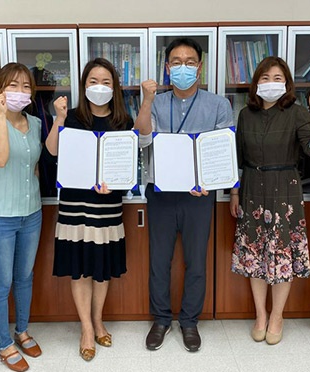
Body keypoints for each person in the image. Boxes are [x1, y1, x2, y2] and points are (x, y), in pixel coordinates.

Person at [135, 38, 233, 352]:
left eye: (190, 61)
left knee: (196, 262)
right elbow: (140, 141)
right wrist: (147, 101)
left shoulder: (218, 104)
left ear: (199, 67)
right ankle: (162, 319)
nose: (183, 67)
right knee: (159, 261)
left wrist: (214, 182)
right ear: (167, 68)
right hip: (161, 193)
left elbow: (223, 151)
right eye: (176, 61)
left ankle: (189, 321)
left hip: (198, 195)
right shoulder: (157, 102)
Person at [229, 56, 310, 345]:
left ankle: (277, 316)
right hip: (251, 190)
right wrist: (235, 193)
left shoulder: (297, 113)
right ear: (255, 83)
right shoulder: (245, 115)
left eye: (277, 78)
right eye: (264, 78)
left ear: (286, 83)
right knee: (255, 256)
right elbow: (236, 159)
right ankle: (260, 314)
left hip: (285, 190)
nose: (270, 83)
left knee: (282, 257)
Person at [44, 58, 132, 362]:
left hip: (107, 206)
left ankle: (98, 320)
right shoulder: (74, 117)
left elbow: (127, 166)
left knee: (101, 269)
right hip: (75, 206)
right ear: (84, 86)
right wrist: (58, 118)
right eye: (93, 81)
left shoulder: (124, 121)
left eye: (106, 82)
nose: (99, 87)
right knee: (81, 269)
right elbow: (53, 151)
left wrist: (117, 184)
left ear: (115, 87)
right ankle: (85, 327)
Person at [0, 62, 43, 372]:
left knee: (24, 278)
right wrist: (2, 115)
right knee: (1, 284)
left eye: (26, 86)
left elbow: (33, 165)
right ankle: (3, 342)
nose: (20, 92)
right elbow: (0, 159)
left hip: (31, 213)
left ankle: (23, 330)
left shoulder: (36, 123)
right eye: (13, 86)